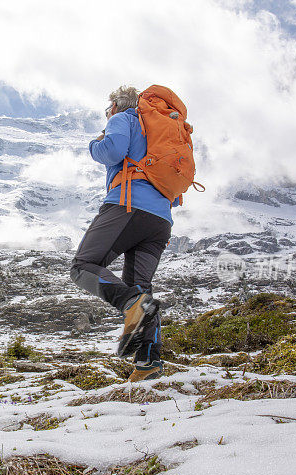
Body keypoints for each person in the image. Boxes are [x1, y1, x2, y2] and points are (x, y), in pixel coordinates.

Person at [70, 85, 179, 382]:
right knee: (140, 285)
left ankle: (132, 306)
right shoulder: (163, 133)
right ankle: (148, 363)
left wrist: (96, 143)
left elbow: (113, 150)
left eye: (108, 111)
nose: (107, 115)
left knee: (82, 267)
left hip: (127, 206)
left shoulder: (125, 118)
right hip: (160, 220)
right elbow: (176, 190)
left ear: (116, 106)